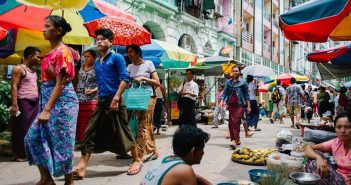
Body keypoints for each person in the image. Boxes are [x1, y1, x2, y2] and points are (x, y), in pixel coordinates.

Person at [73, 28, 135, 179]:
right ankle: (82, 166)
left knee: (123, 132)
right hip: (101, 101)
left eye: (102, 39)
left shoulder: (117, 57)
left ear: (111, 42)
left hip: (116, 100)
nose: (99, 41)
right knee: (89, 132)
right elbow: (101, 82)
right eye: (97, 39)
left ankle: (137, 159)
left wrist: (116, 98)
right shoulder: (97, 62)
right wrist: (95, 93)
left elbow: (125, 78)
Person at [24, 15, 78, 185]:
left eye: (48, 26)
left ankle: (69, 182)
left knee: (63, 143)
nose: (43, 29)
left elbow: (61, 83)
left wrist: (47, 110)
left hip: (62, 102)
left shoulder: (63, 52)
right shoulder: (52, 52)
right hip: (49, 98)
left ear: (59, 31)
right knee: (32, 138)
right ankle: (47, 179)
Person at [126, 44, 160, 175]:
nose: (129, 54)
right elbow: (125, 81)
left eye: (131, 51)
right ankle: (153, 150)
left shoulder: (148, 64)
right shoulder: (129, 67)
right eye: (128, 52)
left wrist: (144, 78)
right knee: (142, 125)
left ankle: (139, 157)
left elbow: (157, 82)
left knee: (142, 126)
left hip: (148, 97)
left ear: (138, 53)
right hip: (133, 98)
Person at [140, 126, 212, 185]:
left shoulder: (166, 160)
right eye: (202, 149)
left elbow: (194, 176)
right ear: (192, 151)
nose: (203, 153)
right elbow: (187, 173)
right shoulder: (184, 170)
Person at [10, 46, 41, 162]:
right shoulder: (18, 69)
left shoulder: (33, 70)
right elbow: (13, 86)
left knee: (33, 128)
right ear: (30, 56)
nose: (39, 59)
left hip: (34, 101)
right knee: (21, 128)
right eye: (37, 57)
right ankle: (18, 153)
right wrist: (14, 104)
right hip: (23, 101)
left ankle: (28, 152)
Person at [304, 111, 351, 185]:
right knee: (315, 156)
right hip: (337, 177)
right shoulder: (336, 143)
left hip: (345, 182)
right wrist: (318, 158)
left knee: (313, 165)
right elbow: (307, 148)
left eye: (347, 127)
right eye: (339, 127)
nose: (342, 131)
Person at [221, 66, 252, 149]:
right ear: (232, 72)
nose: (235, 72)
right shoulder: (228, 82)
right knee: (232, 123)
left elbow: (247, 95)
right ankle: (237, 139)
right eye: (233, 71)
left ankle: (233, 140)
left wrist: (249, 106)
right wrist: (222, 100)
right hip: (231, 105)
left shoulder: (243, 82)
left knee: (235, 121)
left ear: (239, 72)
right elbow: (225, 93)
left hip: (240, 105)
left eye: (236, 71)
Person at [75, 49, 98, 143]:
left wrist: (93, 90)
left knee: (89, 120)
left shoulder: (98, 68)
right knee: (80, 120)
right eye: (85, 56)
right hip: (80, 97)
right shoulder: (82, 67)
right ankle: (81, 140)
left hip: (92, 98)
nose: (86, 59)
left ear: (94, 58)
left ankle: (90, 141)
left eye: (88, 56)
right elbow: (79, 81)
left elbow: (102, 83)